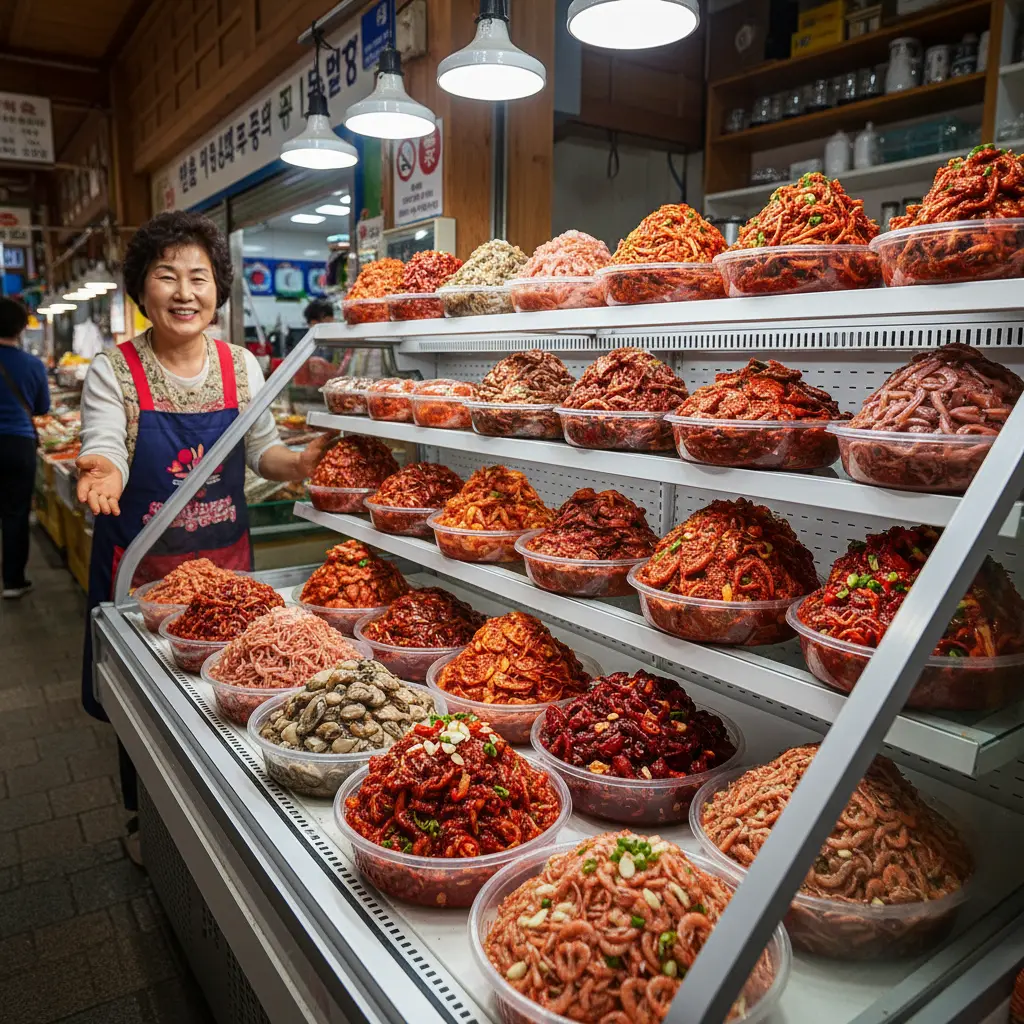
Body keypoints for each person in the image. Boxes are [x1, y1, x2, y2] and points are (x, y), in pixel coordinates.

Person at [77, 211, 334, 853]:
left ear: (218, 291)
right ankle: (145, 820)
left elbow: (264, 453)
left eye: (199, 277)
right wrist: (103, 470)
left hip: (229, 579)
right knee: (147, 713)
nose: (184, 292)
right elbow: (104, 445)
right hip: (144, 582)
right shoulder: (115, 371)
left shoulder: (242, 366)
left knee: (228, 703)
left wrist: (298, 466)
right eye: (166, 276)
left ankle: (225, 835)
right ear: (142, 290)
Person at [0, 297, 49, 599]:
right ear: (21, 327)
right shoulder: (32, 364)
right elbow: (42, 407)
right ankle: (13, 581)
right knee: (16, 512)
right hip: (19, 444)